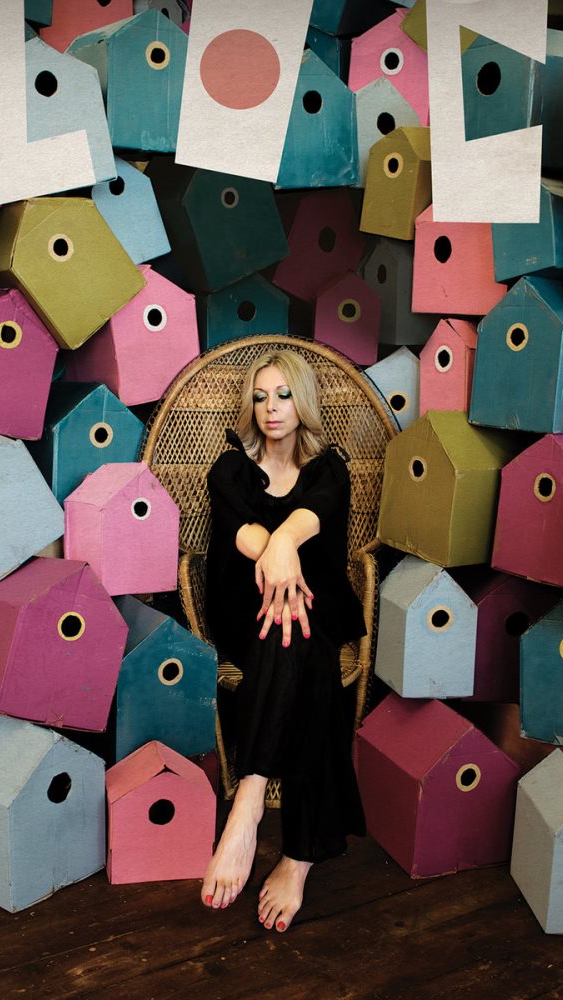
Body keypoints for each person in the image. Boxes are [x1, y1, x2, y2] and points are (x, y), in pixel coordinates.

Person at [200, 348, 366, 932]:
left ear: (304, 402)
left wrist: (287, 543)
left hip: (317, 606)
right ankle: (300, 855)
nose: (271, 408)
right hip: (245, 611)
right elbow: (241, 532)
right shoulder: (231, 468)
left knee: (301, 633)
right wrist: (274, 554)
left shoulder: (330, 469)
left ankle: (247, 801)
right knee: (293, 633)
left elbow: (310, 518)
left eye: (284, 394)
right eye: (260, 396)